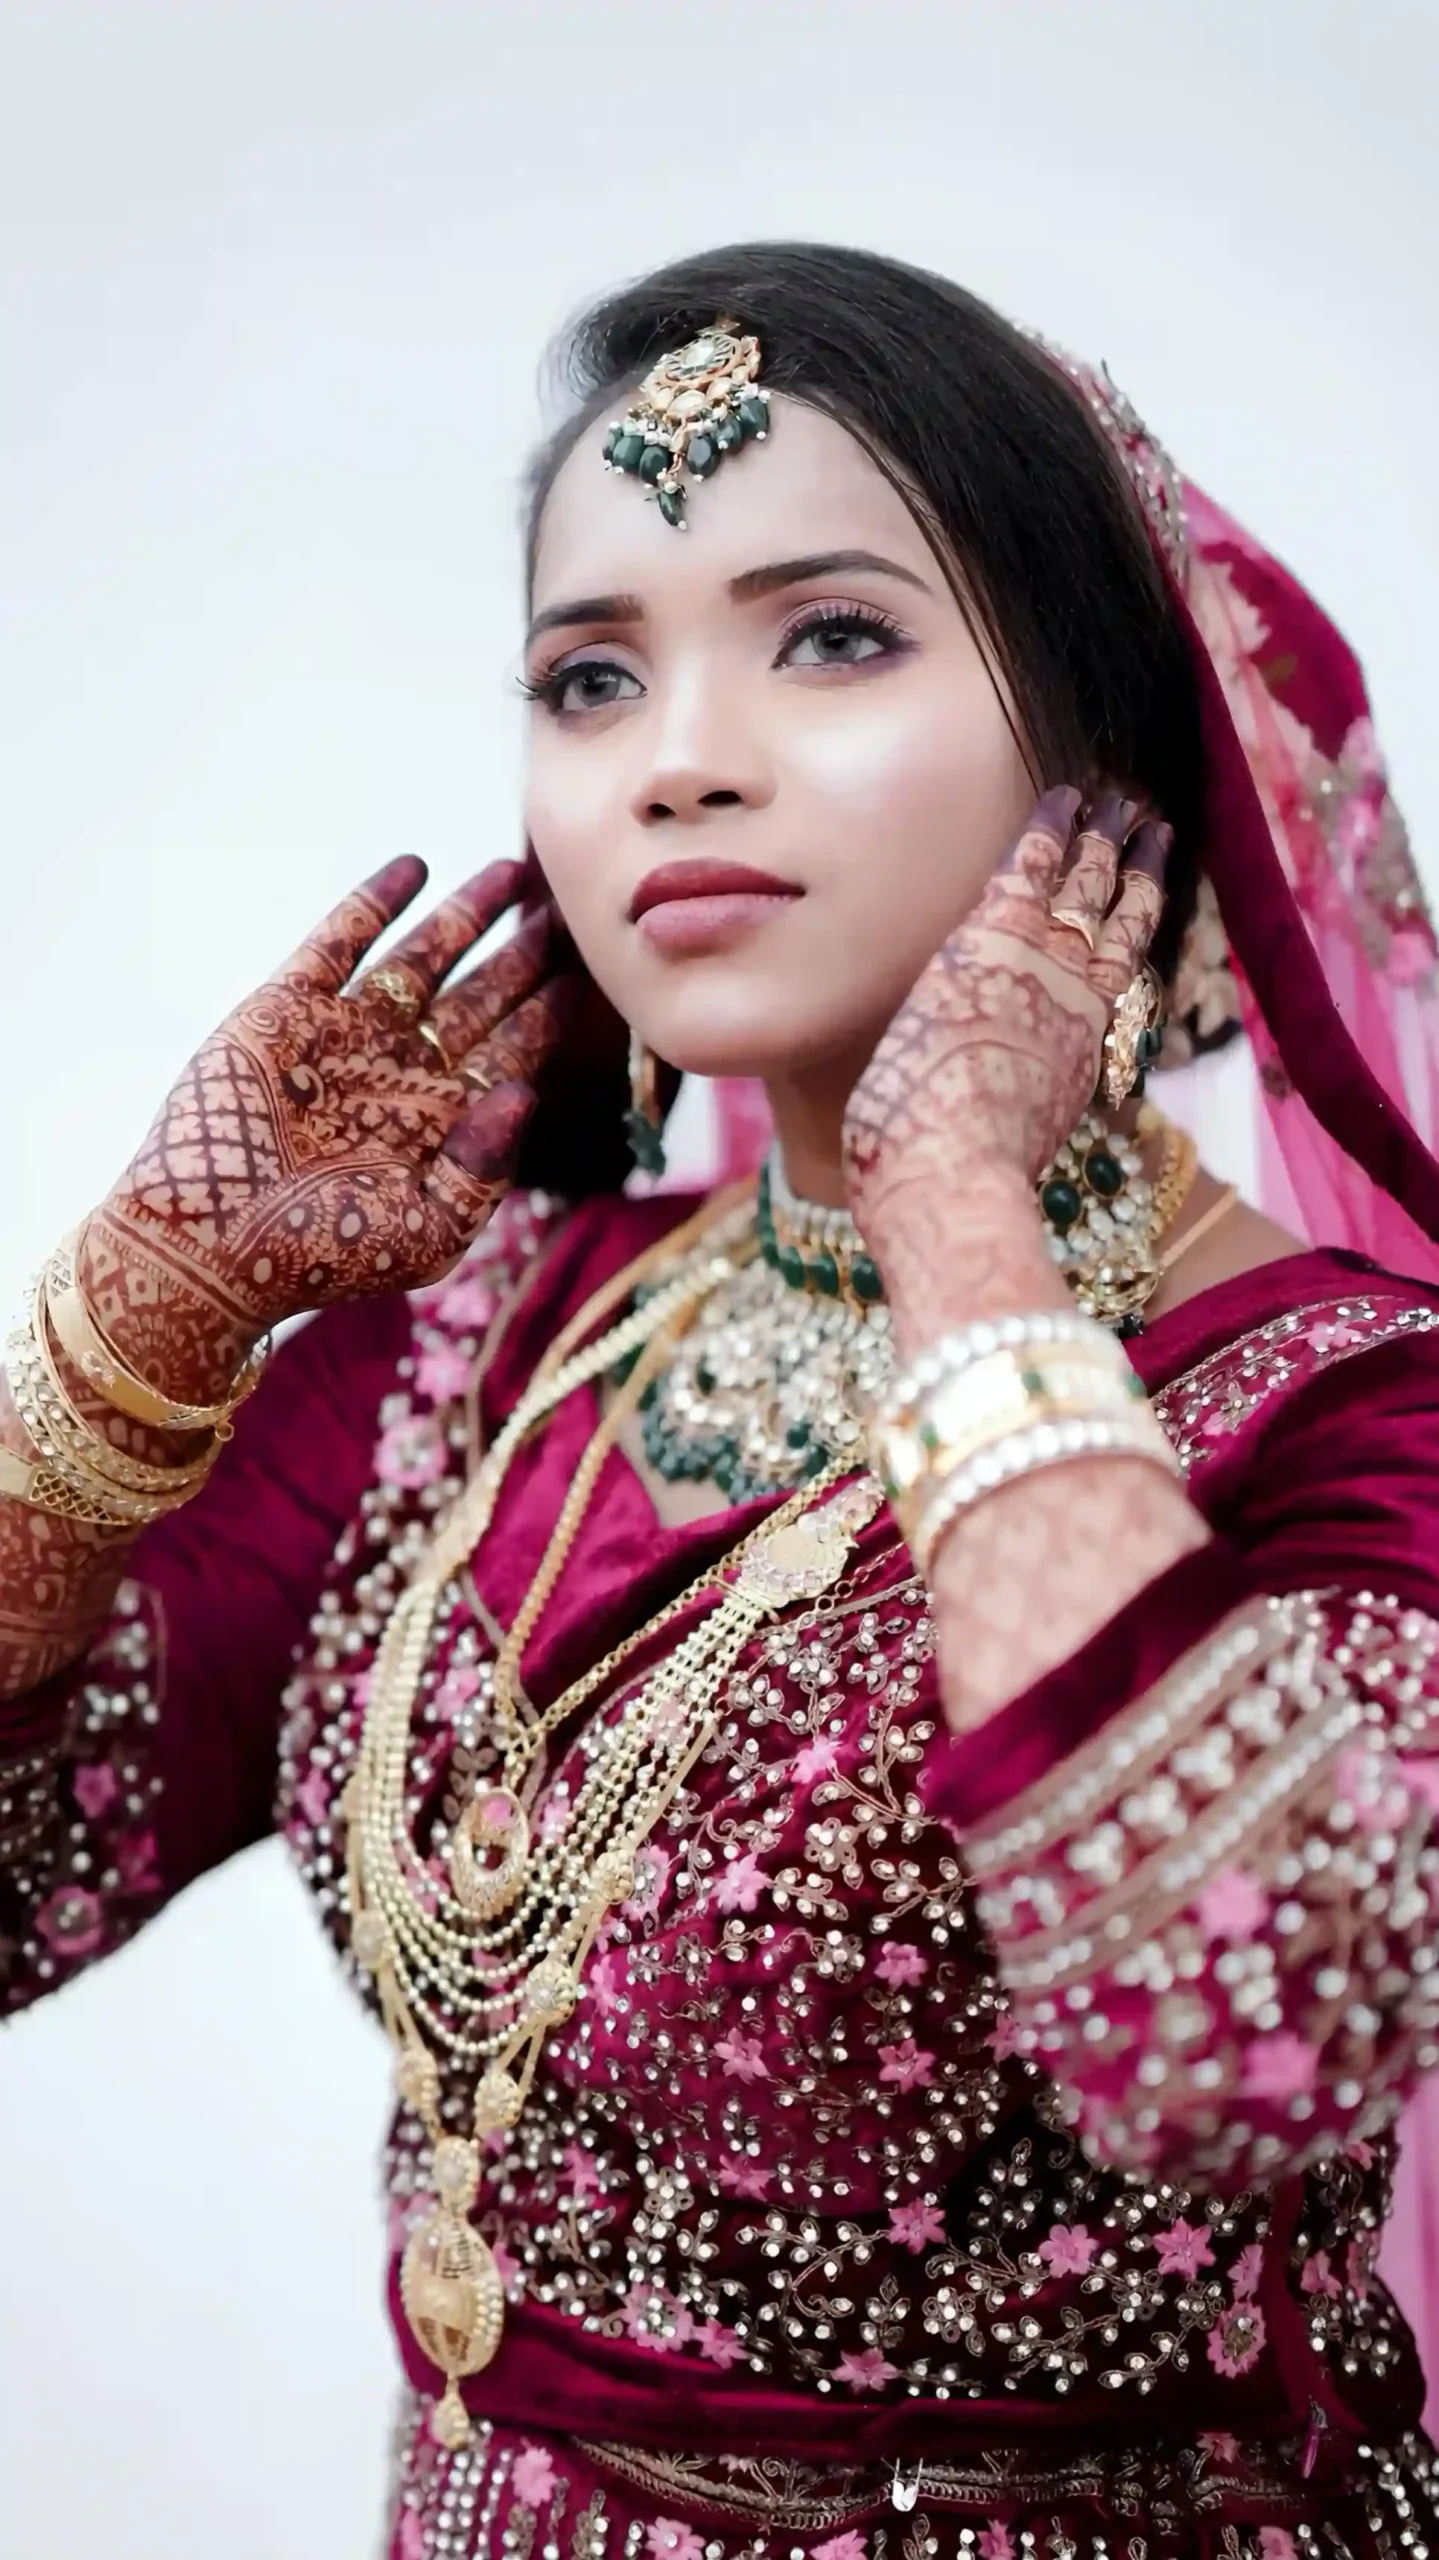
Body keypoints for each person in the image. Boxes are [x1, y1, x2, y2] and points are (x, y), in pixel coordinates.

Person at [4, 241, 1439, 2560]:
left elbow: (1239, 2031)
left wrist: (955, 1209)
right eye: (591, 674)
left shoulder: (1343, 1409)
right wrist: (142, 1315)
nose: (676, 755)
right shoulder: (481, 1345)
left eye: (831, 635)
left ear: (1101, 753)